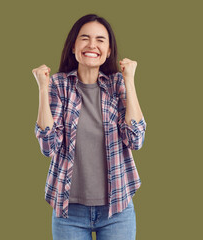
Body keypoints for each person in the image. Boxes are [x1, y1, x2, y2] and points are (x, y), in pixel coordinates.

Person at [32, 13, 147, 240]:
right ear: (74, 47)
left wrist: (130, 81)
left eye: (100, 40)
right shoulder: (59, 85)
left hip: (117, 209)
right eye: (84, 38)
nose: (92, 45)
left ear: (109, 50)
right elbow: (48, 146)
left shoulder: (117, 86)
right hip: (69, 211)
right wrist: (43, 89)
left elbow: (136, 139)